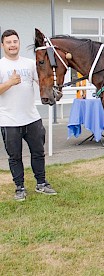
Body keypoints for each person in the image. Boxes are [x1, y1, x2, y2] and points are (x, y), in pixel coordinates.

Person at [0, 29, 57, 201]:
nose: (12, 45)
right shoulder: (1, 65)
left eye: (15, 41)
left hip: (32, 117)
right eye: (8, 42)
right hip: (9, 120)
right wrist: (9, 83)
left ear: (18, 43)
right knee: (14, 156)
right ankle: (20, 188)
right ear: (3, 45)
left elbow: (42, 81)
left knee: (38, 152)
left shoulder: (30, 64)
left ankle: (41, 183)